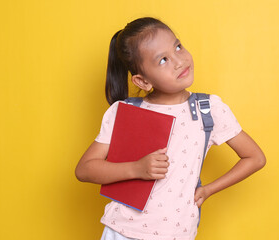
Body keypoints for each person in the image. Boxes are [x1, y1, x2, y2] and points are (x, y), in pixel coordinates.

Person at [75, 17, 266, 240]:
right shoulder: (125, 112)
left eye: (178, 46)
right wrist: (137, 169)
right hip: (122, 230)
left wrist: (208, 190)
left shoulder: (208, 109)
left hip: (176, 233)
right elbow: (84, 169)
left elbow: (255, 158)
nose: (179, 61)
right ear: (142, 81)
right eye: (163, 60)